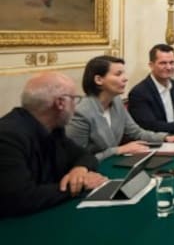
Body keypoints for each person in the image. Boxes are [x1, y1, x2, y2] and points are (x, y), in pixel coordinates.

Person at [0, 72, 107, 217]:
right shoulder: (8, 136)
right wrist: (79, 185)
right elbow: (19, 199)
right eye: (75, 99)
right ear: (60, 103)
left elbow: (84, 155)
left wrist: (80, 170)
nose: (76, 107)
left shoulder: (54, 128)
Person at [66, 56, 174, 162]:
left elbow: (136, 133)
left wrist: (165, 138)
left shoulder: (116, 102)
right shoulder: (80, 112)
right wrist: (118, 150)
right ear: (99, 80)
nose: (125, 78)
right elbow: (75, 160)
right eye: (118, 74)